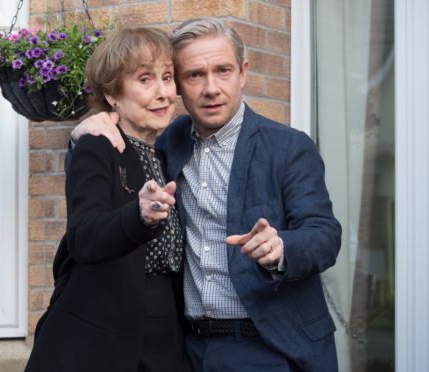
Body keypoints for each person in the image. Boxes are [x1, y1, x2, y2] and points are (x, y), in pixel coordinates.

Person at [70, 17, 342, 372]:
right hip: (188, 349)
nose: (211, 88)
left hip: (268, 346)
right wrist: (85, 130)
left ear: (243, 73)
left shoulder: (288, 147)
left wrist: (281, 249)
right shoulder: (169, 142)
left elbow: (325, 234)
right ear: (179, 85)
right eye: (195, 75)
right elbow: (117, 154)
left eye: (223, 70)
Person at [25, 27, 185, 372]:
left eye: (167, 77)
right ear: (112, 95)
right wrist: (139, 216)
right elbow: (85, 235)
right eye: (145, 79)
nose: (163, 93)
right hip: (97, 337)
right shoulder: (97, 146)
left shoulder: (168, 151)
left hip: (163, 336)